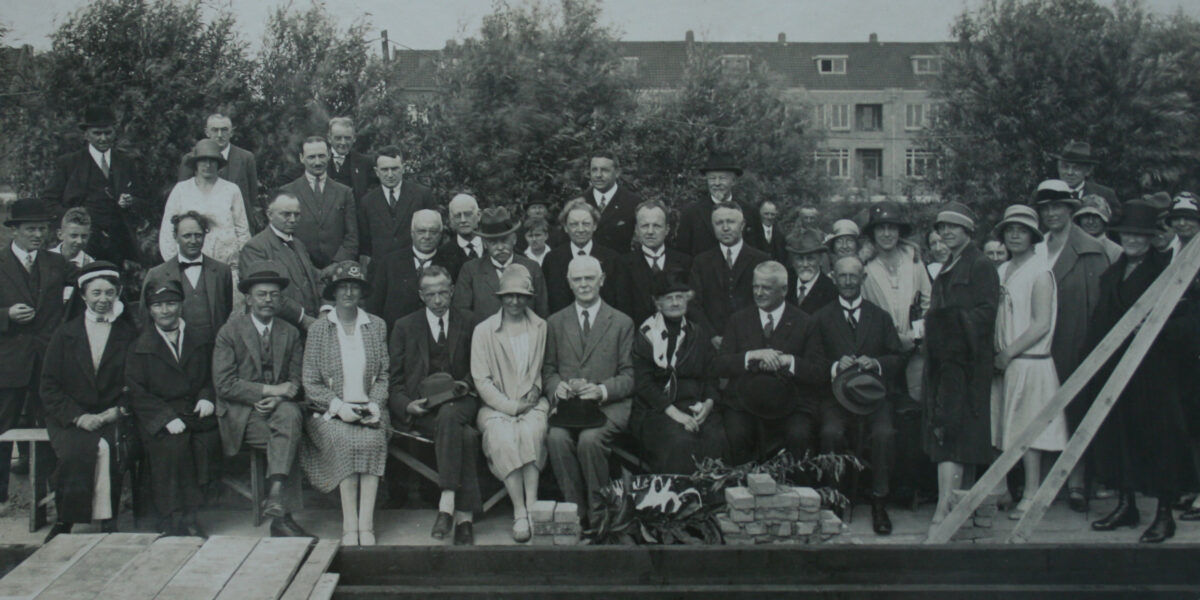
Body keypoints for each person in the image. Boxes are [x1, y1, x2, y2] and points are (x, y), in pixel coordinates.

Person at [1087, 201, 1197, 543]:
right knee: (1121, 438)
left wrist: (1158, 330)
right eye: (1127, 234)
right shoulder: (1111, 274)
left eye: (1140, 234)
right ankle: (1126, 505)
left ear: (1151, 238)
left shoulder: (1171, 272)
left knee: (1160, 441)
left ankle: (1164, 515)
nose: (1132, 240)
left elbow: (1192, 320)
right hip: (1117, 372)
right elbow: (1100, 323)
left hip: (1157, 372)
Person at [211, 263, 313, 538]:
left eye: (274, 295)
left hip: (280, 410)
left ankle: (277, 495)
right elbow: (224, 384)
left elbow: (296, 381)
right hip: (242, 413)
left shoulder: (290, 333)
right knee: (289, 434)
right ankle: (283, 517)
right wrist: (270, 391)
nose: (268, 300)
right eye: (262, 294)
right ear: (248, 299)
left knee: (289, 418)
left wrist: (282, 397)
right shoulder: (229, 332)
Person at [39, 262, 137, 541]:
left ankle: (108, 519)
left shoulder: (128, 334)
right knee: (75, 451)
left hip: (112, 413)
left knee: (108, 448)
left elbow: (136, 382)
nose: (103, 300)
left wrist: (115, 412)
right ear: (83, 296)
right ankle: (66, 519)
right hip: (69, 416)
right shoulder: (64, 334)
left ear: (117, 294)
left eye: (109, 293)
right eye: (96, 293)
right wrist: (78, 417)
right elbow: (49, 386)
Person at [388, 266, 481, 545]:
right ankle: (464, 518)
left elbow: (480, 370)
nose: (438, 300)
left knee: (452, 414)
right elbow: (393, 381)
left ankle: (447, 502)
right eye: (431, 295)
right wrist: (406, 406)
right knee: (462, 434)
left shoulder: (471, 322)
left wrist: (464, 384)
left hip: (463, 401)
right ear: (421, 296)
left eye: (443, 293)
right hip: (425, 409)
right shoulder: (404, 326)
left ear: (452, 291)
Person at [811, 256, 904, 535]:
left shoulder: (880, 316)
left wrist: (875, 363)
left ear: (863, 279)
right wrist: (833, 366)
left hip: (873, 398)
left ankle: (879, 502)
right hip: (835, 399)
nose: (849, 282)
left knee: (884, 434)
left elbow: (897, 358)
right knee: (830, 432)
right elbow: (811, 363)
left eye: (854, 276)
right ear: (834, 278)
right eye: (843, 276)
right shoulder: (820, 318)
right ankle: (834, 500)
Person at [300, 261, 390, 546]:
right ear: (334, 292)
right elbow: (310, 381)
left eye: (355, 287)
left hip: (368, 408)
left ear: (361, 292)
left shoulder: (376, 326)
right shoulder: (319, 329)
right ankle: (350, 525)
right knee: (346, 442)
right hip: (330, 413)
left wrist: (375, 405)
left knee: (373, 441)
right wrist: (339, 407)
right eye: (343, 287)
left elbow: (384, 375)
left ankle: (367, 524)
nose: (349, 293)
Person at [1033, 179, 1109, 512]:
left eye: (1058, 207)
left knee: (1075, 409)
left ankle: (1077, 482)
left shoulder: (1091, 249)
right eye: (1046, 207)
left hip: (1074, 342)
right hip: (1039, 345)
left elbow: (1100, 310)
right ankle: (1042, 481)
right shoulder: (1036, 248)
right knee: (1041, 412)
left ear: (1070, 210)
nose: (1051, 213)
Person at [922, 202, 999, 526]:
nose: (946, 233)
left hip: (966, 364)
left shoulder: (980, 265)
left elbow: (986, 313)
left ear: (968, 231)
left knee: (954, 435)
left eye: (953, 227)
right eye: (942, 228)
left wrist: (945, 322)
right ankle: (955, 508)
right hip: (946, 362)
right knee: (949, 433)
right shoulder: (949, 264)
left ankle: (945, 508)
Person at [544, 256, 635, 526]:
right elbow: (548, 370)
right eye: (577, 279)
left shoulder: (621, 322)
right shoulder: (555, 322)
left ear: (602, 280)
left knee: (590, 440)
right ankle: (575, 512)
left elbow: (630, 376)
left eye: (589, 278)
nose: (584, 284)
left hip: (609, 405)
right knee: (556, 437)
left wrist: (602, 390)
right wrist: (556, 386)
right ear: (569, 283)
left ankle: (600, 515)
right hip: (571, 407)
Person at [990, 205, 1068, 520]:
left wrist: (1008, 353)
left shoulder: (1041, 272)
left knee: (1029, 430)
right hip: (1004, 363)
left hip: (1030, 361)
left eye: (1022, 230)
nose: (1015, 235)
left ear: (1033, 236)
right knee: (1002, 427)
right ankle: (1005, 489)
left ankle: (1032, 493)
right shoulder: (999, 270)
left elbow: (1040, 324)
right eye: (1010, 230)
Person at [126, 278, 220, 537]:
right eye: (158, 305)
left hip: (194, 412)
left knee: (204, 444)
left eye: (171, 303)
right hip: (159, 415)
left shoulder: (200, 339)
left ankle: (192, 514)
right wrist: (164, 417)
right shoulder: (140, 346)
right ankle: (172, 517)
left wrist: (206, 396)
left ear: (181, 305)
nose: (165, 310)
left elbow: (214, 375)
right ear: (149, 310)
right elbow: (136, 390)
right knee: (171, 446)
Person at [715, 261, 825, 465]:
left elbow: (818, 372)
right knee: (736, 435)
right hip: (743, 401)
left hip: (792, 403)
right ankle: (741, 489)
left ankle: (794, 492)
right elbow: (720, 364)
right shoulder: (739, 320)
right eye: (755, 286)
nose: (758, 293)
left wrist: (789, 361)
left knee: (799, 435)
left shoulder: (805, 322)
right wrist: (752, 356)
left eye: (766, 288)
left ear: (784, 290)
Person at [470, 264, 550, 543]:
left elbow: (543, 369)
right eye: (509, 296)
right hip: (496, 407)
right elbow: (481, 380)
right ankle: (519, 510)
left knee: (532, 432)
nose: (515, 301)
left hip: (532, 404)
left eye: (521, 296)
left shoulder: (541, 327)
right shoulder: (483, 331)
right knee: (503, 438)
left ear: (529, 297)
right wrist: (510, 407)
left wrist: (535, 391)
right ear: (500, 297)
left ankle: (532, 505)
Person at [0, 199, 71, 505]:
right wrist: (6, 315)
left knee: (51, 427)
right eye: (30, 228)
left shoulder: (56, 263)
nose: (38, 234)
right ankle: (0, 498)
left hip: (47, 361)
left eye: (42, 228)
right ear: (13, 231)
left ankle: (51, 496)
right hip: (8, 362)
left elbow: (91, 282)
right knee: (2, 429)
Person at [632, 269, 728, 474]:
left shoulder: (698, 333)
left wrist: (708, 405)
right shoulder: (646, 335)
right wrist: (678, 416)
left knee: (715, 437)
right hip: (658, 409)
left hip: (694, 404)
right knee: (681, 441)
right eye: (669, 298)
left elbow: (711, 376)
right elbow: (644, 385)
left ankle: (713, 502)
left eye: (679, 297)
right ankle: (680, 502)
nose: (675, 303)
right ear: (658, 303)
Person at [42, 105, 143, 266]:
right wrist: (73, 219)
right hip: (82, 244)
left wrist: (130, 202)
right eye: (97, 133)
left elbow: (142, 199)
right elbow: (48, 202)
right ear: (86, 135)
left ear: (114, 132)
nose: (103, 138)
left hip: (117, 245)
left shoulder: (126, 163)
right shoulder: (69, 163)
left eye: (107, 133)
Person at [160, 139, 251, 273]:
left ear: (218, 164)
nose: (207, 165)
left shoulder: (231, 190)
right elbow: (168, 231)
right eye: (203, 160)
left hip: (226, 266)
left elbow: (242, 229)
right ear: (195, 164)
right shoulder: (181, 190)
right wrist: (176, 264)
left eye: (212, 161)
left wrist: (240, 261)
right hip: (189, 266)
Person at [144, 212, 234, 346]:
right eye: (187, 236)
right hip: (177, 351)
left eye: (198, 235)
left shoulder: (222, 272)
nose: (193, 241)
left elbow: (225, 309)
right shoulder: (157, 274)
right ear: (176, 237)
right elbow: (147, 318)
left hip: (214, 348)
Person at [366, 209, 462, 333]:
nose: (427, 236)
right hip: (397, 340)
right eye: (421, 231)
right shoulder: (389, 263)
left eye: (433, 232)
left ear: (440, 234)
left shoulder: (453, 264)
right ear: (412, 233)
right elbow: (374, 308)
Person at [238, 191, 322, 331]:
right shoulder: (255, 248)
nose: (293, 219)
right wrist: (303, 318)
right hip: (277, 330)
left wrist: (325, 310)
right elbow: (263, 293)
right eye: (286, 214)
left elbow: (314, 277)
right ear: (269, 215)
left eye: (297, 214)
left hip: (310, 327)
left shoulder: (298, 244)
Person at [690, 204, 770, 346]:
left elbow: (768, 302)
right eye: (719, 223)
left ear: (742, 225)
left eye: (731, 222)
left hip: (752, 342)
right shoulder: (701, 262)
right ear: (712, 226)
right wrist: (712, 336)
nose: (725, 228)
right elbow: (694, 304)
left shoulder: (761, 260)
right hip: (712, 344)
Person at [453, 207, 548, 320]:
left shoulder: (531, 268)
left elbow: (542, 311)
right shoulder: (470, 270)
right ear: (485, 244)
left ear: (514, 239)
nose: (500, 247)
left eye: (504, 240)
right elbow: (462, 311)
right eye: (493, 243)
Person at [861, 202, 931, 355]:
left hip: (915, 349)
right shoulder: (865, 267)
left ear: (899, 231)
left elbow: (928, 303)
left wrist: (916, 336)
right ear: (873, 232)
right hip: (880, 351)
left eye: (892, 228)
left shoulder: (914, 261)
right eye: (881, 228)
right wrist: (892, 338)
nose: (887, 234)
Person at [281, 137, 358, 270]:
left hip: (337, 270)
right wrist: (305, 266)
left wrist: (336, 265)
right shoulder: (287, 192)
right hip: (300, 269)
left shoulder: (344, 192)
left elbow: (351, 236)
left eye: (321, 156)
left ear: (329, 155)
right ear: (301, 158)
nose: (317, 162)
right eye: (311, 157)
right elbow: (283, 235)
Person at [613, 200, 693, 326]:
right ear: (636, 230)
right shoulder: (623, 265)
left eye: (656, 226)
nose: (650, 231)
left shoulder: (685, 262)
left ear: (667, 229)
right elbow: (623, 309)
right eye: (645, 226)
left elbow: (691, 308)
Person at [178, 113, 262, 232]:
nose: (219, 135)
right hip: (201, 229)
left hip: (235, 227)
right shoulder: (191, 159)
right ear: (207, 132)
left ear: (231, 132)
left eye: (224, 130)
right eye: (215, 130)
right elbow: (183, 197)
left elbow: (253, 200)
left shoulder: (246, 158)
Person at [356, 145, 437, 264]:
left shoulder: (422, 195)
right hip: (382, 270)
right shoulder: (367, 202)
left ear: (403, 168)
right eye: (384, 169)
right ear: (376, 172)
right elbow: (365, 245)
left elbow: (435, 233)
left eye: (394, 169)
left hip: (415, 266)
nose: (390, 174)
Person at [673, 152, 761, 257]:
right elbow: (682, 255)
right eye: (712, 178)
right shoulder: (691, 213)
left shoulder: (749, 212)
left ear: (733, 181)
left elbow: (758, 251)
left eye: (722, 178)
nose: (717, 183)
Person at [541, 199, 619, 313]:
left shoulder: (612, 259)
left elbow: (618, 302)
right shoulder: (552, 260)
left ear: (595, 226)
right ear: (566, 228)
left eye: (586, 224)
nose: (580, 229)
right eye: (574, 224)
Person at [1048, 140, 1120, 222]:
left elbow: (1113, 226)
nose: (1069, 172)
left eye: (1076, 168)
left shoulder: (1105, 195)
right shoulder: (1045, 194)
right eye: (1065, 167)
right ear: (1058, 168)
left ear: (1088, 171)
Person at [583, 151, 640, 252]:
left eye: (604, 170)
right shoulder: (579, 202)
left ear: (617, 172)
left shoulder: (633, 202)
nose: (598, 175)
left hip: (620, 265)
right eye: (594, 170)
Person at [786, 228, 838, 315]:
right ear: (793, 261)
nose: (805, 264)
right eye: (800, 258)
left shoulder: (831, 292)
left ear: (820, 260)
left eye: (810, 258)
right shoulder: (785, 283)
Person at [326, 117, 376, 201]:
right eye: (338, 138)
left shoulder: (366, 163)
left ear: (354, 138)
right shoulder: (319, 161)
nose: (343, 142)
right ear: (329, 138)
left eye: (347, 138)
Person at [441, 193, 484, 276]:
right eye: (457, 215)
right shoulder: (443, 254)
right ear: (451, 219)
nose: (463, 220)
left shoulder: (491, 246)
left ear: (478, 215)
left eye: (468, 214)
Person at [1073, 195, 1123, 264]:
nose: (1091, 221)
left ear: (1104, 220)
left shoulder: (1116, 251)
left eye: (1096, 216)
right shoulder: (1070, 246)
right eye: (1086, 216)